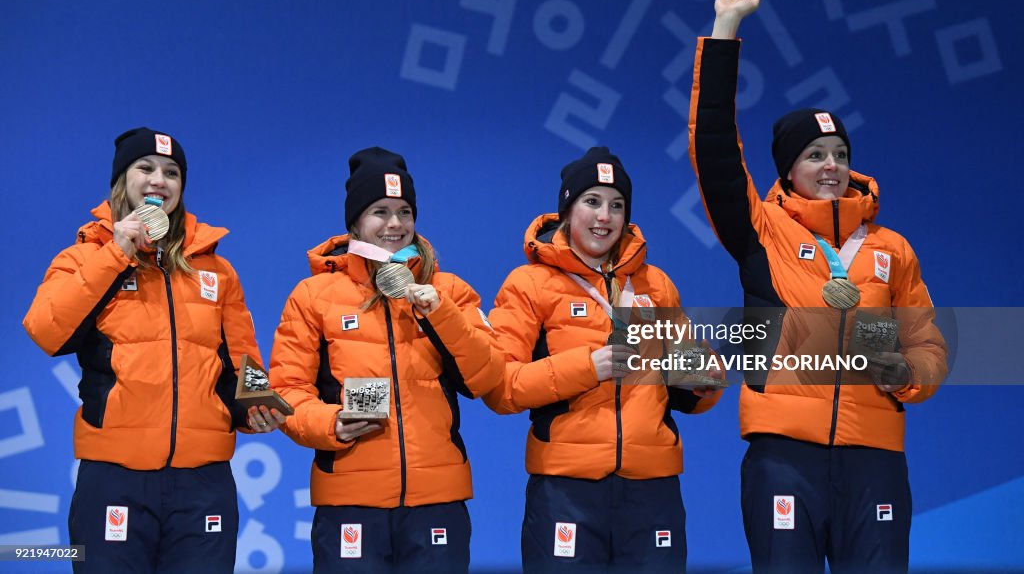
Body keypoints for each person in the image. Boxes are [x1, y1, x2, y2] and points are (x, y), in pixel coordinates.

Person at [688, 0, 948, 574]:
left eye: (840, 156)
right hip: (785, 454)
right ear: (788, 168)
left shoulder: (892, 249)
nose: (830, 167)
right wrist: (724, 34)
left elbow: (928, 343)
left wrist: (908, 372)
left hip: (875, 456)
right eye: (814, 156)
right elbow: (716, 153)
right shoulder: (763, 231)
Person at [23, 127, 284, 574]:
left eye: (172, 172)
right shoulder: (82, 257)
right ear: (121, 180)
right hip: (114, 477)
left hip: (203, 482)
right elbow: (46, 331)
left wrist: (255, 406)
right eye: (145, 168)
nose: (159, 179)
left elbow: (243, 361)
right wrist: (116, 252)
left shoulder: (217, 271)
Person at [484, 146, 722, 574]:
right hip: (566, 488)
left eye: (616, 205)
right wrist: (588, 368)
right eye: (591, 202)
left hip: (652, 488)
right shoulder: (529, 284)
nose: (604, 216)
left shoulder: (656, 284)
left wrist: (703, 382)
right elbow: (501, 388)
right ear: (567, 209)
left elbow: (687, 382)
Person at [269, 147, 503, 574]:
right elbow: (286, 392)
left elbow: (488, 377)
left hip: (437, 502)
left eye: (405, 212)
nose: (395, 224)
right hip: (349, 502)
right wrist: (329, 424)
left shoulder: (448, 289)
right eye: (380, 211)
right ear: (355, 221)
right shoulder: (313, 296)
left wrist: (440, 312)